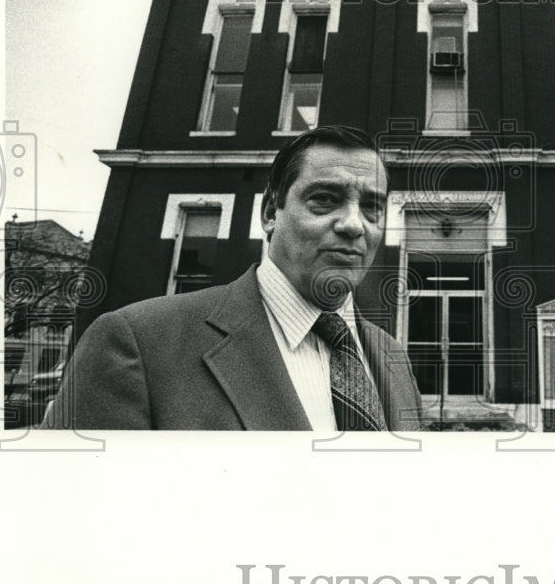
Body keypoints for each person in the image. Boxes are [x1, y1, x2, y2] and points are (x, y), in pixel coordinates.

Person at [43, 126, 422, 431]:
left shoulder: (393, 359)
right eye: (325, 199)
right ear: (271, 212)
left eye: (372, 207)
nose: (354, 224)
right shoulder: (135, 344)